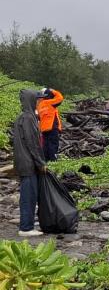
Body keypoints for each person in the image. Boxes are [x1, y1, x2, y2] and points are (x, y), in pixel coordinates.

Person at [13, 90, 47, 237]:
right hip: (27, 163)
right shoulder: (28, 118)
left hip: (24, 161)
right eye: (37, 99)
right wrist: (41, 163)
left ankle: (27, 224)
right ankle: (26, 228)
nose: (39, 102)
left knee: (29, 194)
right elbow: (32, 143)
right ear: (31, 100)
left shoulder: (25, 116)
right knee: (28, 196)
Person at [37, 88, 64, 162]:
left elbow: (39, 117)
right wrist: (53, 91)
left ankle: (46, 161)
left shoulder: (40, 105)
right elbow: (60, 98)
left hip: (44, 129)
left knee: (45, 145)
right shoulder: (50, 103)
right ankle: (53, 161)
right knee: (53, 144)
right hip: (52, 127)